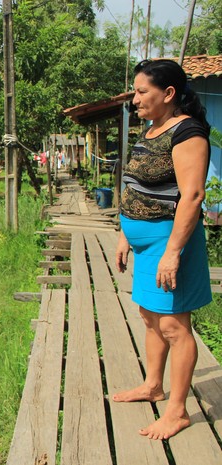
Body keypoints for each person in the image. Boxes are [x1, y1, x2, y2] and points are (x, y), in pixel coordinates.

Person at [114, 59, 212, 440]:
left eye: (142, 92)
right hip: (144, 242)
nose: (134, 99)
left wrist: (172, 253)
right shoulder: (153, 129)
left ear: (168, 94)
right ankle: (153, 385)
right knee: (149, 315)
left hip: (169, 242)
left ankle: (177, 411)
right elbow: (137, 183)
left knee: (173, 325)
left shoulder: (188, 133)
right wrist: (125, 234)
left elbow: (192, 196)